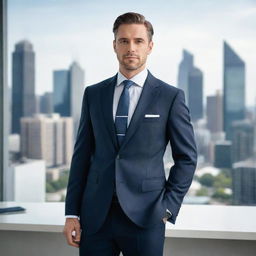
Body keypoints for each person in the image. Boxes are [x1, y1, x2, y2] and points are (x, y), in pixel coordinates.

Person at [63, 12, 197, 256]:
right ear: (114, 45)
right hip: (95, 217)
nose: (131, 48)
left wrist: (167, 208)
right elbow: (81, 156)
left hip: (146, 217)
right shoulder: (93, 94)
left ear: (150, 46)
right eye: (124, 41)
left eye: (138, 41)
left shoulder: (170, 97)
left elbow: (187, 158)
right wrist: (72, 212)